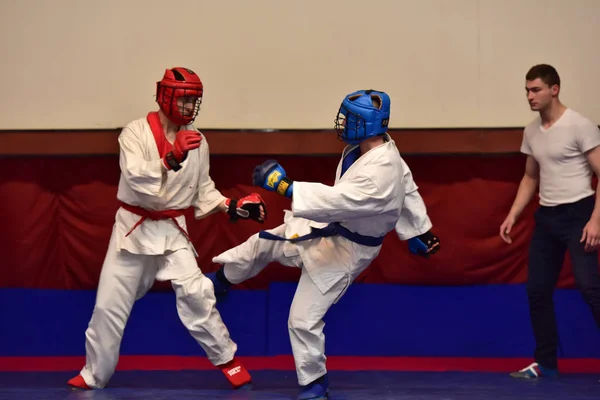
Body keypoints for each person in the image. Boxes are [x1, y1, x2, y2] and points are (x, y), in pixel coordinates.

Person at [206, 89, 439, 399]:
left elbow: (340, 201)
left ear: (367, 124)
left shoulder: (382, 171)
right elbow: (407, 187)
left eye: (350, 118)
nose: (342, 123)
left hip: (347, 251)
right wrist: (418, 230)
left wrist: (284, 187)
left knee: (302, 319)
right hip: (329, 229)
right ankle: (221, 281)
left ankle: (315, 383)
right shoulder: (368, 149)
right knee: (263, 243)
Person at [67, 67, 266, 390]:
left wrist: (232, 206)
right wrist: (170, 158)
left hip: (172, 232)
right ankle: (94, 374)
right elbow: (134, 176)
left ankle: (228, 361)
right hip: (132, 230)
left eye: (194, 102)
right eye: (184, 100)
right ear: (164, 95)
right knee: (108, 306)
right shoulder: (134, 133)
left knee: (197, 294)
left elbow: (203, 189)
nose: (189, 108)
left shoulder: (198, 141)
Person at [499, 64, 600, 379]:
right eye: (527, 90)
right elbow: (531, 177)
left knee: (589, 287)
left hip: (580, 213)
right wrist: (513, 214)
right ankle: (546, 362)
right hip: (547, 217)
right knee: (537, 290)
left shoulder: (579, 125)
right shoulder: (531, 131)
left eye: (536, 89)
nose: (530, 96)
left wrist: (596, 221)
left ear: (554, 89)